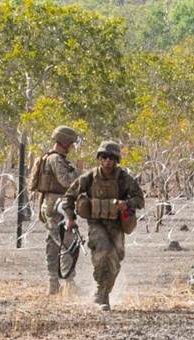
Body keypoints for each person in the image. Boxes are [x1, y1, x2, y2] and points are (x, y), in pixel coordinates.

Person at [63, 141, 144, 311]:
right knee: (102, 253)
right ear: (100, 158)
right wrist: (71, 218)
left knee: (114, 261)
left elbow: (140, 200)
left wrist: (127, 203)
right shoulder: (90, 177)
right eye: (104, 157)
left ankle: (105, 293)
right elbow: (69, 196)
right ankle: (100, 292)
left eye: (111, 158)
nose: (107, 161)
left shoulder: (123, 178)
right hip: (96, 223)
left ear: (116, 160)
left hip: (116, 224)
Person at [37, 126, 81, 295]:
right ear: (63, 142)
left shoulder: (50, 158)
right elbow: (65, 181)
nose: (71, 147)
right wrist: (77, 170)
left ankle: (53, 285)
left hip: (52, 205)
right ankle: (69, 285)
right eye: (70, 143)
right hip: (56, 207)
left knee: (53, 245)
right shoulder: (55, 159)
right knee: (66, 244)